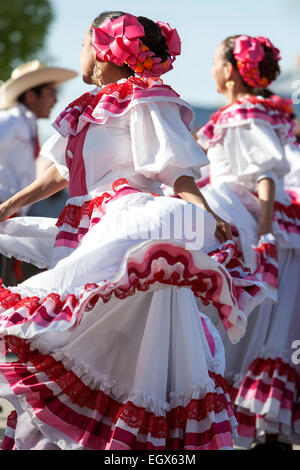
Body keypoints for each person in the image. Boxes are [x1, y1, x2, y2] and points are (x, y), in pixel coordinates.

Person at [0, 13, 265, 450]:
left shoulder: (145, 99)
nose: (79, 54)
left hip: (128, 235)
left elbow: (177, 173)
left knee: (121, 356)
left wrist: (205, 214)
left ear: (104, 49)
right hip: (85, 237)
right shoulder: (86, 108)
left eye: (84, 43)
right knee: (77, 344)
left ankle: (130, 448)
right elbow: (59, 174)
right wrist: (7, 206)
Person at [196, 35, 300, 449]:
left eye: (215, 62)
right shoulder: (246, 113)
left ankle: (261, 426)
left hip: (254, 226)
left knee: (258, 329)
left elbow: (263, 175)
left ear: (231, 71)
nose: (210, 71)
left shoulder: (244, 113)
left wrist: (263, 232)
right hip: (251, 222)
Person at [0, 61, 77, 285]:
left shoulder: (26, 125)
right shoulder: (11, 121)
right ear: (31, 95)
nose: (55, 100)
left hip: (10, 215)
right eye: (50, 92)